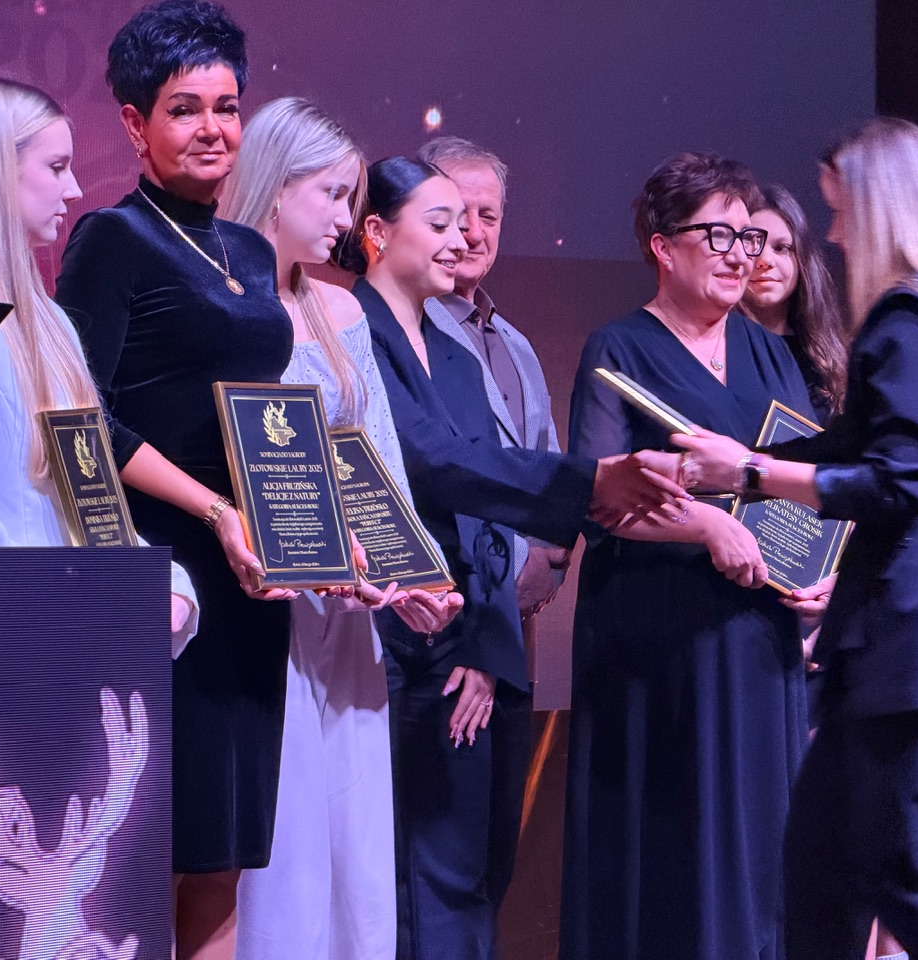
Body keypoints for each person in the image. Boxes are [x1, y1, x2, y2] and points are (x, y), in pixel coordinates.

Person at [676, 118, 918, 960]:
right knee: (831, 862)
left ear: (883, 210)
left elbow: (896, 481)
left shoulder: (910, 318)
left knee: (898, 870)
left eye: (841, 212)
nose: (833, 235)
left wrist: (752, 473)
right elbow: (862, 443)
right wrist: (744, 465)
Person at [344, 156, 683, 960]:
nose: (461, 237)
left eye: (472, 220)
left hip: (465, 642)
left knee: (469, 873)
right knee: (395, 882)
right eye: (440, 222)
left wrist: (486, 644)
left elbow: (490, 513)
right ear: (376, 232)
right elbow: (431, 464)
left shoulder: (460, 357)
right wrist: (590, 480)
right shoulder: (348, 335)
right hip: (377, 636)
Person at [53, 3, 292, 956]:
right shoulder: (111, 240)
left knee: (223, 852)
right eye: (184, 109)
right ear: (133, 122)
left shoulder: (252, 251)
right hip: (165, 577)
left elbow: (267, 422)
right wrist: (214, 510)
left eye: (227, 107)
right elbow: (80, 421)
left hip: (251, 579)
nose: (212, 129)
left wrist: (314, 532)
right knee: (149, 852)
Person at [220, 98, 464, 960]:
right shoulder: (215, 302)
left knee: (352, 848)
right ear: (274, 186)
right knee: (282, 849)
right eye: (330, 194)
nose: (344, 218)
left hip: (349, 615)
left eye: (351, 196)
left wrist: (414, 576)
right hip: (265, 606)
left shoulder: (341, 311)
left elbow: (378, 461)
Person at [561, 151, 817, 960]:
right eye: (720, 235)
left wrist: (825, 572)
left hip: (757, 635)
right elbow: (598, 497)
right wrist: (704, 526)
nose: (742, 254)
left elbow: (802, 479)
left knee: (761, 839)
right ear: (662, 246)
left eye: (750, 237)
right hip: (658, 638)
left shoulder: (771, 352)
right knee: (671, 839)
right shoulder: (619, 348)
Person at [0, 74, 198, 652]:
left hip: (62, 643)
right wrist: (71, 600)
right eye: (57, 167)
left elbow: (87, 495)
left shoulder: (51, 322)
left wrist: (160, 581)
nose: (75, 188)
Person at [417, 134, 567, 912]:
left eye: (489, 216)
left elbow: (550, 478)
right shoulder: (401, 335)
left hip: (514, 639)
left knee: (493, 859)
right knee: (438, 864)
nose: (472, 233)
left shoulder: (515, 346)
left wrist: (548, 563)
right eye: (453, 214)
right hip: (438, 640)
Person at [738, 183, 847, 423]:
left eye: (781, 248)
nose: (764, 261)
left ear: (802, 258)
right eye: (752, 246)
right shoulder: (721, 352)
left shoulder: (829, 355)